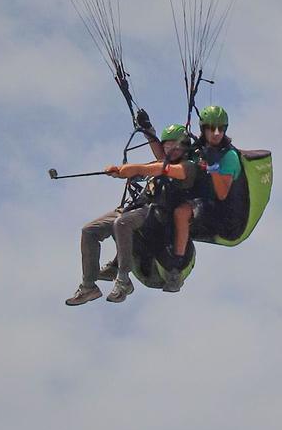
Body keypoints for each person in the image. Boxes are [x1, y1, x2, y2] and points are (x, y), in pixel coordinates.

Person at [65, 122, 199, 305]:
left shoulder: (188, 167)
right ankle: (89, 286)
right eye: (167, 146)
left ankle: (123, 279)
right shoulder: (163, 161)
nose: (171, 150)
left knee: (122, 223)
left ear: (185, 148)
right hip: (137, 207)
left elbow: (160, 168)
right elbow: (156, 161)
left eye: (177, 146)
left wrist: (136, 169)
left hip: (159, 213)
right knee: (89, 231)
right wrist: (119, 170)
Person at [171, 103, 244, 269]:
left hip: (223, 215)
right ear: (203, 129)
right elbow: (167, 163)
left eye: (221, 128)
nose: (217, 133)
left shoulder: (228, 156)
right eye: (212, 128)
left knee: (181, 212)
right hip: (202, 202)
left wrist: (213, 166)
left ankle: (177, 265)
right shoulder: (198, 149)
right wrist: (150, 134)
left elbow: (222, 194)